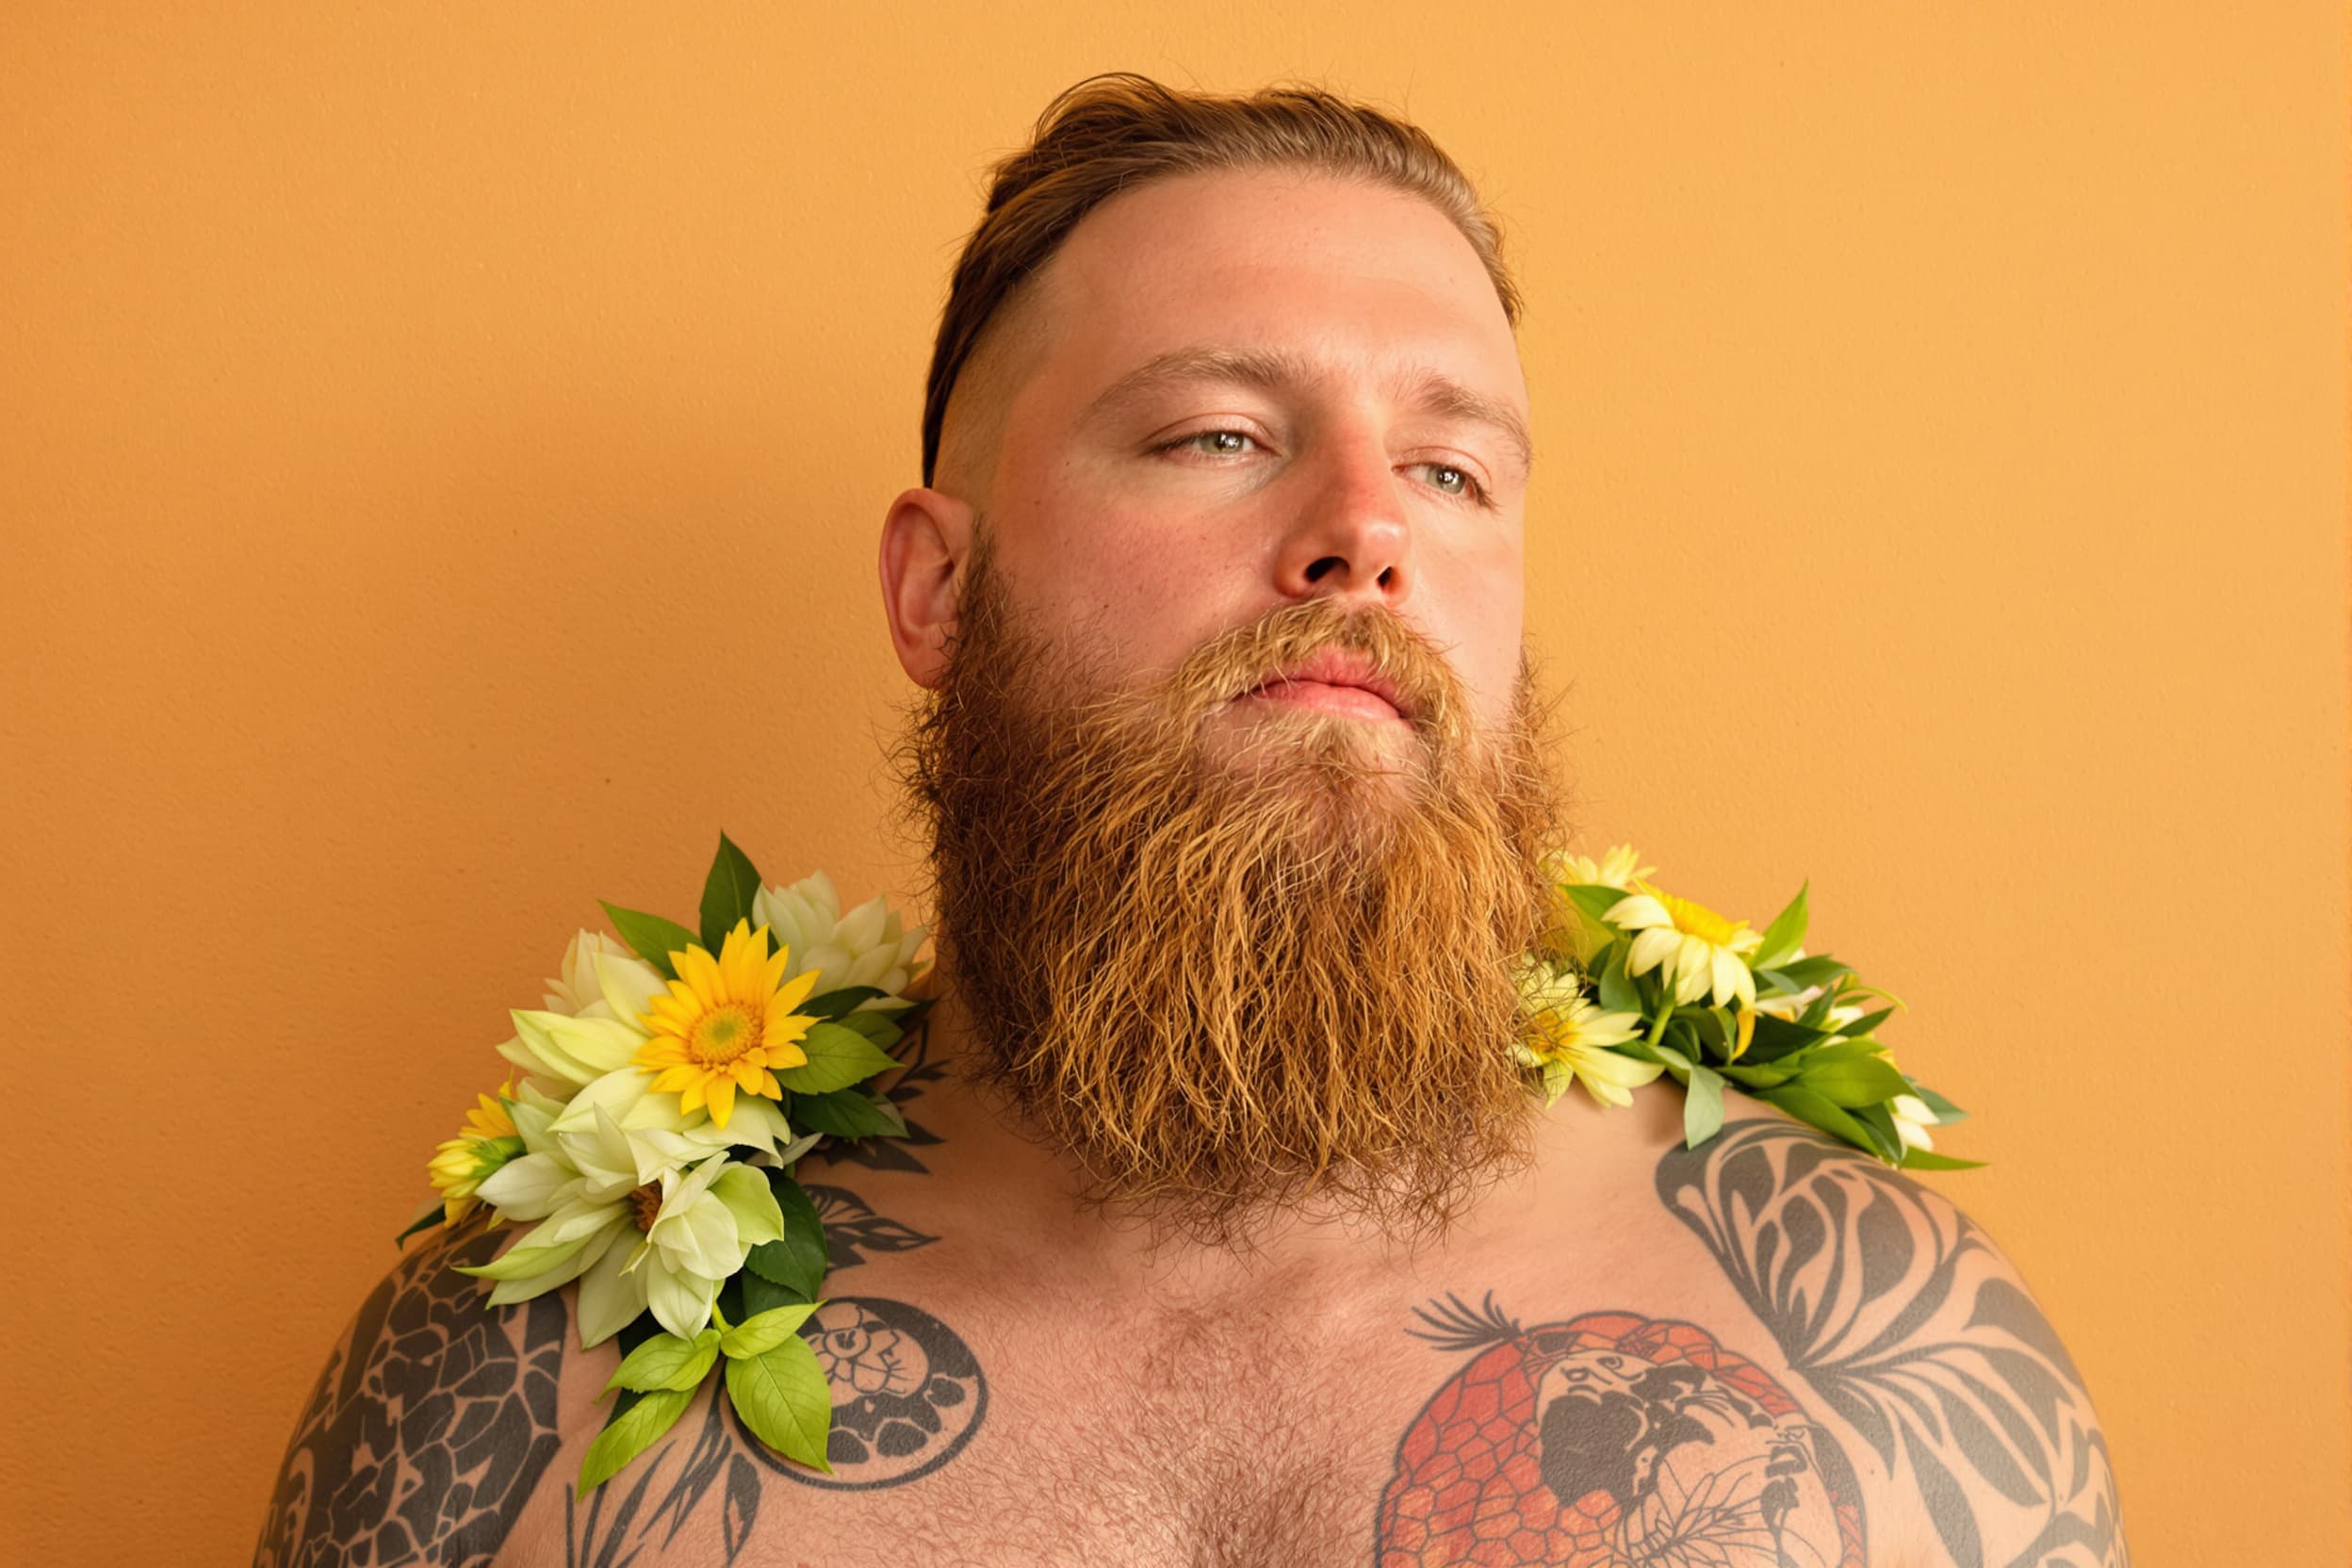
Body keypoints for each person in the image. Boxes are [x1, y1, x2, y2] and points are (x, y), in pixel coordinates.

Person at [254, 74, 2129, 1568]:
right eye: (1219, 434)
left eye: (1454, 466)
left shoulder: (1880, 1365)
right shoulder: (533, 1371)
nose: (1365, 530)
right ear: (936, 592)